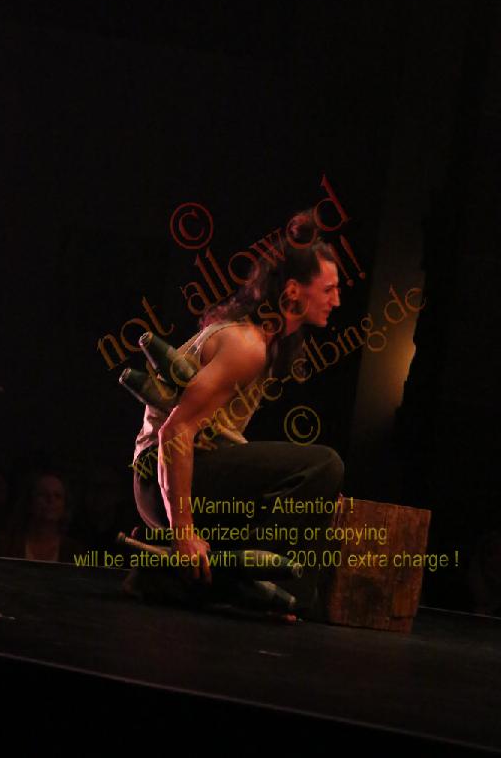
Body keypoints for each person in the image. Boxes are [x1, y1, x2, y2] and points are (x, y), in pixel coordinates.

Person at [131, 209, 345, 615]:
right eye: (329, 289)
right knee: (325, 465)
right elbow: (174, 432)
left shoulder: (262, 343)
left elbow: (219, 439)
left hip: (181, 481)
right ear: (294, 291)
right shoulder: (246, 345)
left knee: (311, 502)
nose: (337, 300)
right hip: (162, 482)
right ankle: (248, 584)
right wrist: (183, 531)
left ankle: (174, 580)